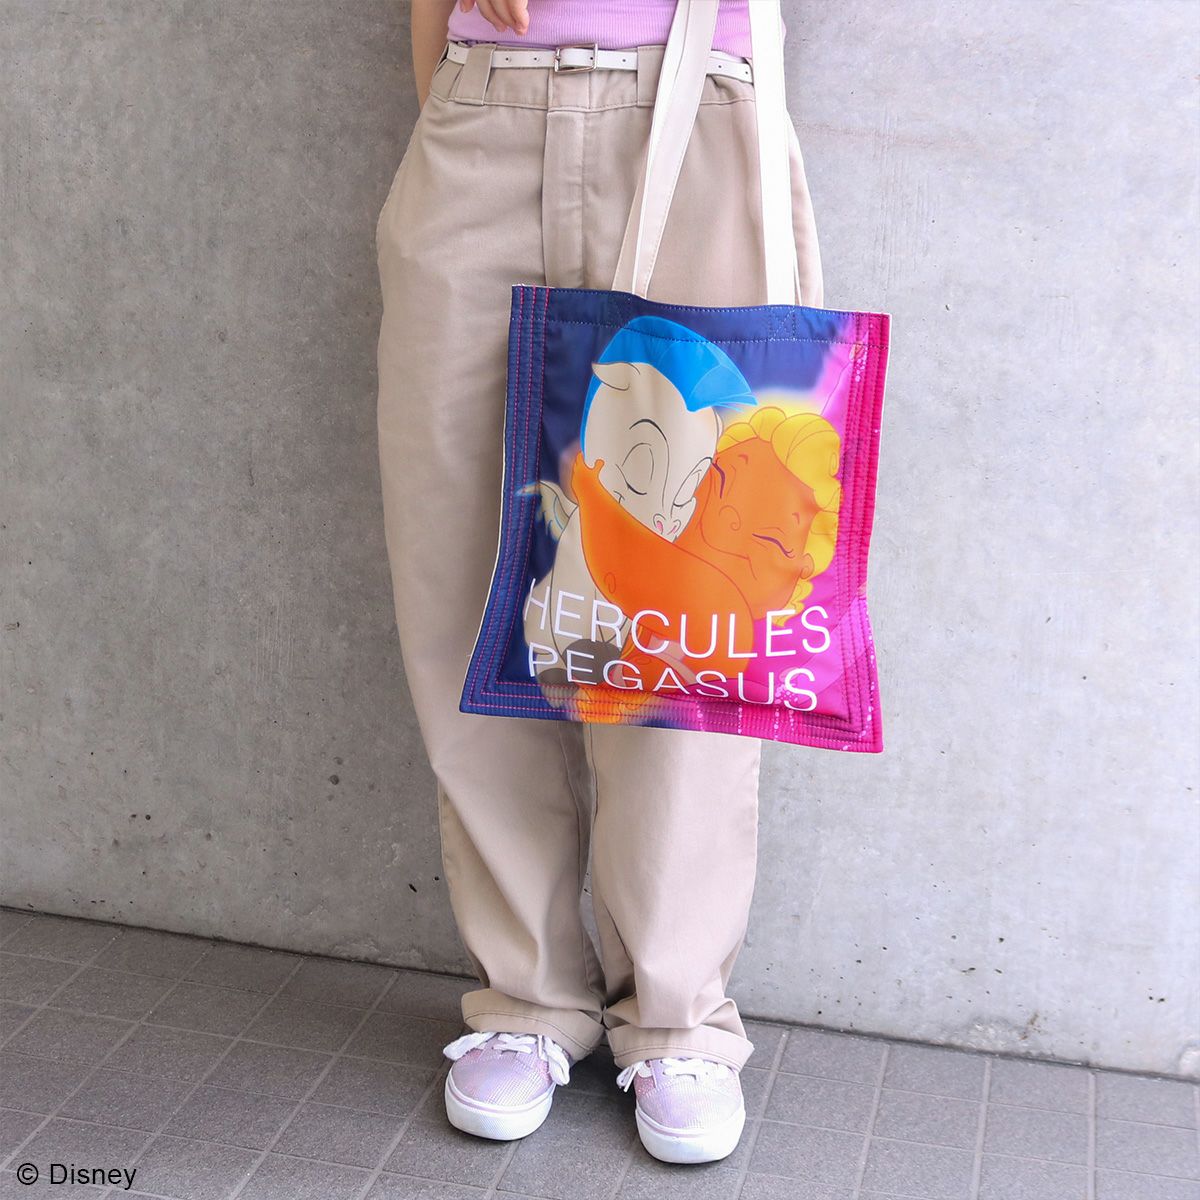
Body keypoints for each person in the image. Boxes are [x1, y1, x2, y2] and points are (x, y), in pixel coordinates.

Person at [376, 0, 822, 1164]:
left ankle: (677, 1015)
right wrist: (459, 103)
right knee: (467, 574)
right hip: (480, 115)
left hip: (696, 111)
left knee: (684, 593)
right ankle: (525, 996)